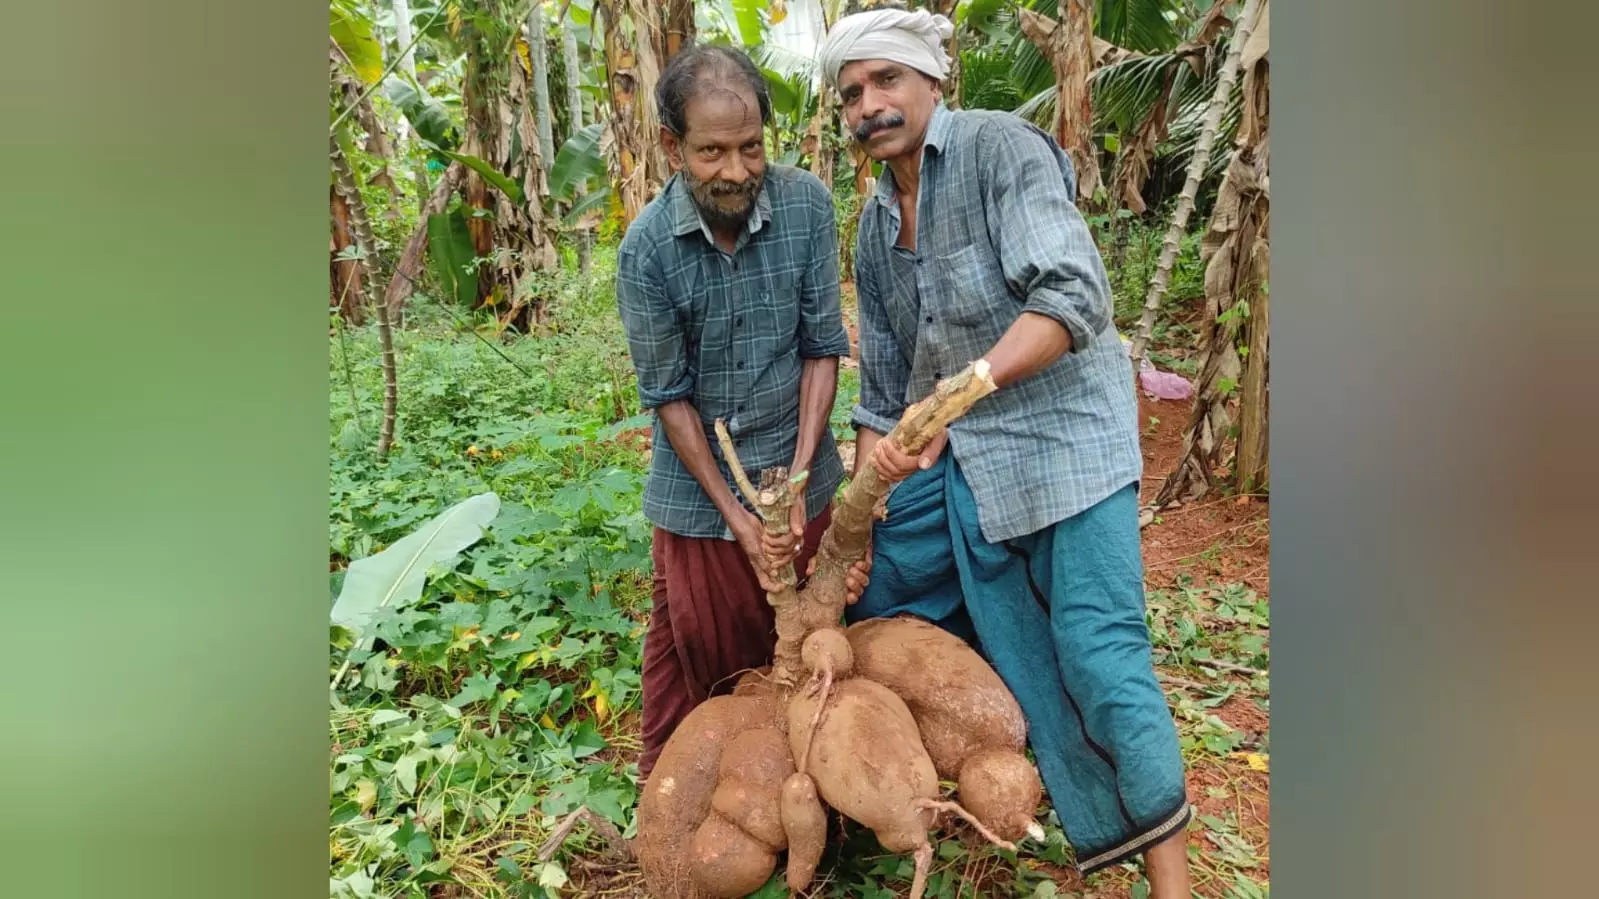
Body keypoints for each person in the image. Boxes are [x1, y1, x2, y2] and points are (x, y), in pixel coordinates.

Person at [816, 9, 1194, 896]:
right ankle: (945, 798)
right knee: (965, 629)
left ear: (930, 81)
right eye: (850, 94)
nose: (869, 105)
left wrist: (969, 385)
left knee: (1100, 653)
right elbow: (883, 385)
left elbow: (1071, 295)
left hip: (1070, 448)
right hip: (975, 465)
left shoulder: (1000, 151)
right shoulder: (873, 229)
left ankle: (1171, 880)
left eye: (885, 81)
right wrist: (862, 510)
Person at [615, 44, 870, 785]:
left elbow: (822, 347)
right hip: (700, 501)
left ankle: (815, 800)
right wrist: (738, 516)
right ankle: (701, 806)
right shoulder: (648, 252)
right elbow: (668, 396)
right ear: (672, 148)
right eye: (711, 152)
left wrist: (792, 488)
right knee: (711, 663)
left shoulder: (805, 206)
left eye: (750, 146)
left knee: (813, 648)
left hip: (802, 468)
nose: (735, 171)